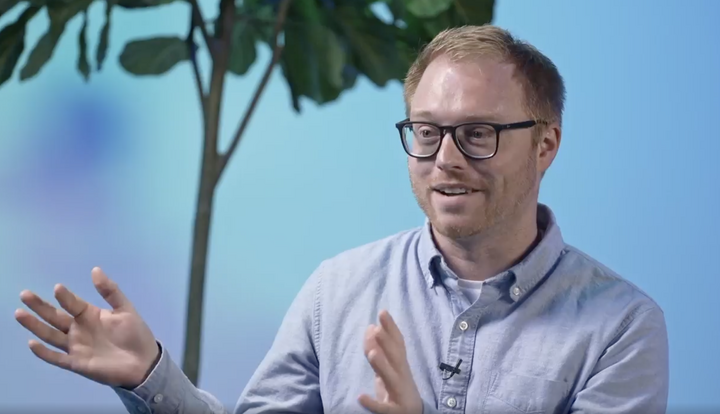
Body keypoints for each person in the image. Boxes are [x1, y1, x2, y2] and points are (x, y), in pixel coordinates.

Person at [14, 24, 669, 414]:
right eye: (426, 131)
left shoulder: (621, 326)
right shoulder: (340, 286)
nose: (446, 160)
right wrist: (153, 377)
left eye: (477, 134)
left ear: (546, 144)